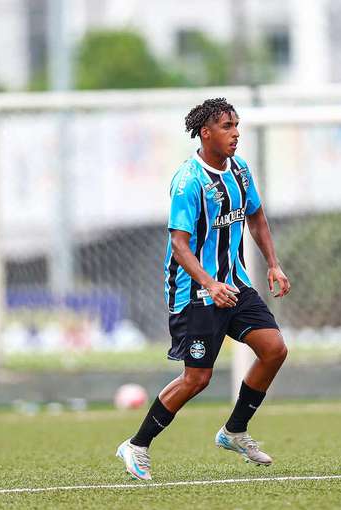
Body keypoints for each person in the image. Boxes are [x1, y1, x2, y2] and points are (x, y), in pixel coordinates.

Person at [116, 98, 290, 480]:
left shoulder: (240, 170)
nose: (236, 133)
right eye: (227, 126)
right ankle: (136, 445)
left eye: (237, 125)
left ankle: (234, 431)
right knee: (198, 378)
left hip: (235, 284)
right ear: (205, 132)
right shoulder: (188, 181)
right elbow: (179, 245)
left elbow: (256, 216)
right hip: (194, 292)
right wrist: (209, 283)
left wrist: (273, 264)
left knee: (275, 350)